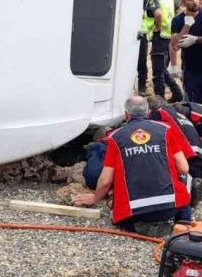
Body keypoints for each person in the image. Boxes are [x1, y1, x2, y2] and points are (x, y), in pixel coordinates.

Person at [72, 96, 191, 236]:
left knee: (113, 204)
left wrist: (95, 198)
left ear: (126, 115)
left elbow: (105, 180)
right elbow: (184, 168)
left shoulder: (116, 137)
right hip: (170, 207)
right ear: (147, 112)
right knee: (185, 179)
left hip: (134, 213)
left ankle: (137, 221)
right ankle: (184, 219)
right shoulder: (165, 130)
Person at [139, 0, 184, 102]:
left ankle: (160, 102)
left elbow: (158, 14)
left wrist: (157, 27)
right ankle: (177, 93)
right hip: (169, 36)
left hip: (160, 38)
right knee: (162, 69)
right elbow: (180, 11)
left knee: (157, 74)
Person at [170, 0, 202, 104]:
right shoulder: (178, 20)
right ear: (183, 2)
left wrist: (196, 39)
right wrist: (186, 26)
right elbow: (175, 46)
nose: (195, 1)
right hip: (191, 71)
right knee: (194, 106)